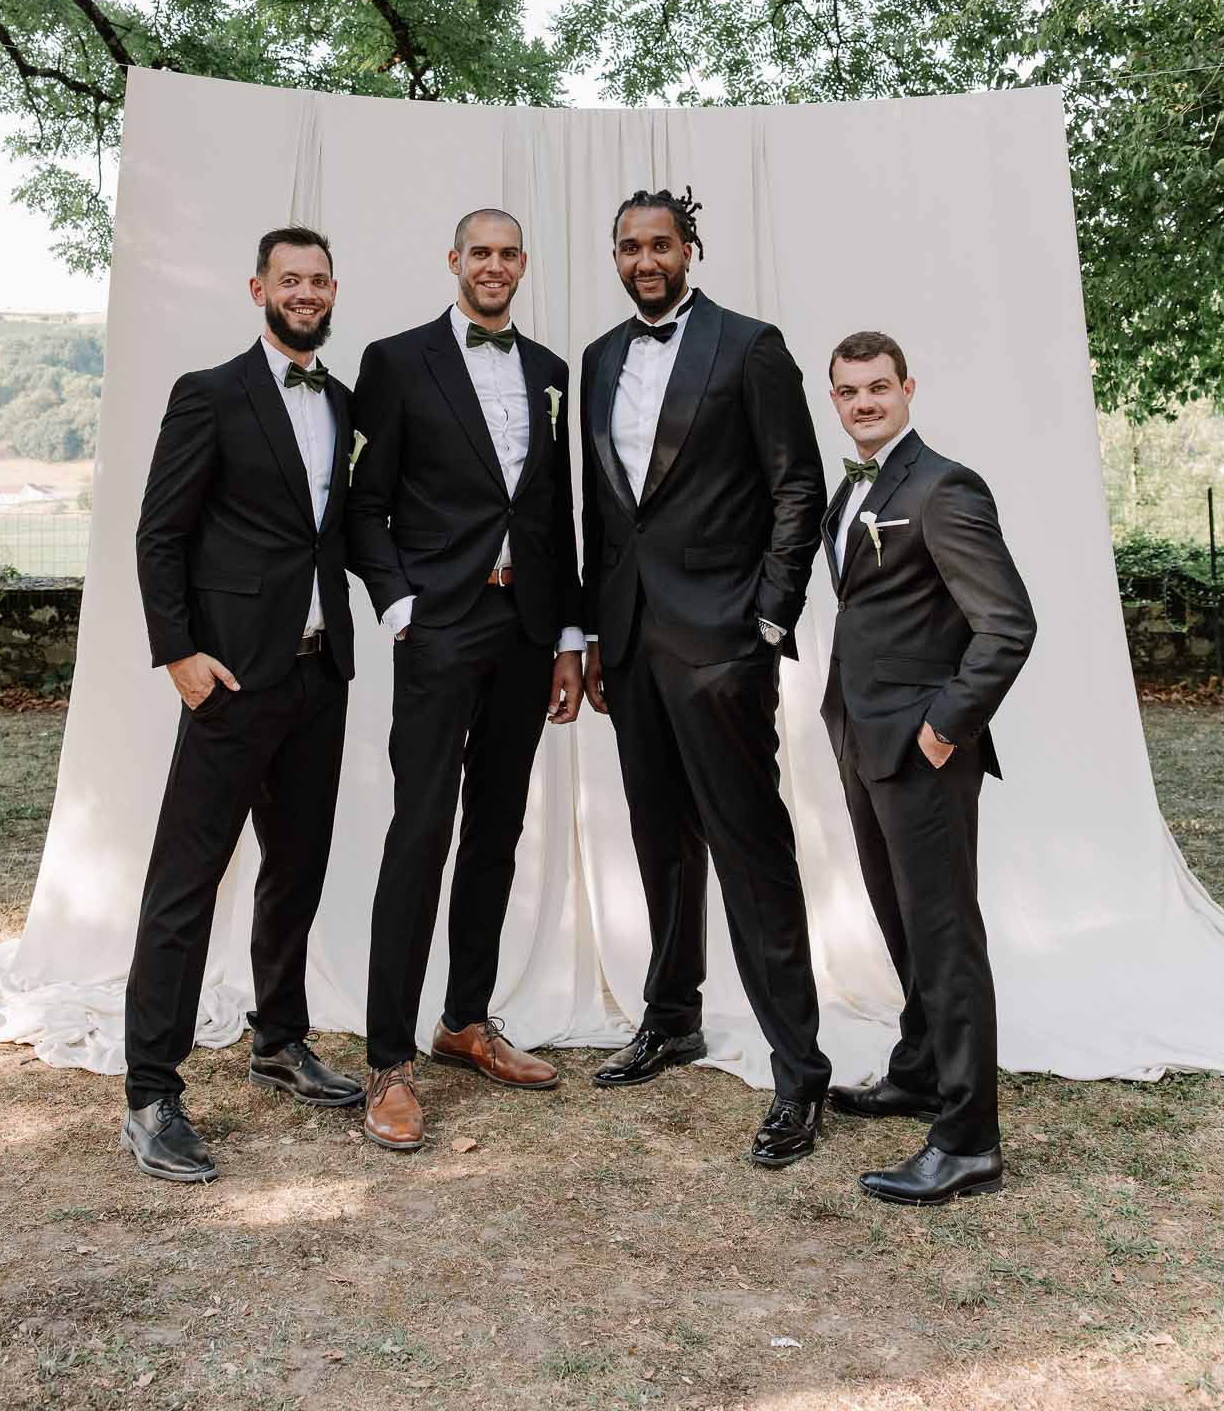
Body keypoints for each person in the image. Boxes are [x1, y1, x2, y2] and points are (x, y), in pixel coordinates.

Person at [580, 188, 830, 1168]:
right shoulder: (599, 357)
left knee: (750, 847)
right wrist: (595, 630)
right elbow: (603, 512)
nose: (647, 259)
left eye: (661, 244)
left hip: (723, 641)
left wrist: (766, 616)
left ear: (690, 248)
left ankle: (799, 1069)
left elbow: (795, 483)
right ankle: (670, 1012)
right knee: (660, 838)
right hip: (631, 641)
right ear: (616, 254)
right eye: (631, 246)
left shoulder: (750, 346)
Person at [123, 227, 363, 1182]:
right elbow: (159, 533)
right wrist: (178, 652)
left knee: (297, 869)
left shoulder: (343, 404)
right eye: (288, 280)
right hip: (227, 677)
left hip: (317, 673)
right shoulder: (210, 394)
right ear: (258, 287)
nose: (304, 293)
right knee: (187, 880)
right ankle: (150, 1091)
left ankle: (279, 1041)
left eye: (317, 280)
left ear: (334, 290)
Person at [348, 208, 585, 1152]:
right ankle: (387, 1062)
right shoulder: (397, 362)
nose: (493, 267)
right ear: (454, 263)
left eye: (507, 254)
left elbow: (556, 513)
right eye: (478, 253)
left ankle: (465, 1020)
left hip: (527, 632)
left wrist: (569, 635)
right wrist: (403, 610)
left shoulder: (553, 375)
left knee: (497, 828)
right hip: (439, 626)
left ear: (524, 265)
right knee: (419, 832)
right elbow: (367, 506)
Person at [821, 331, 1036, 1205]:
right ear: (833, 400)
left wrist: (944, 729)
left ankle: (968, 1138)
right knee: (902, 922)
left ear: (909, 388)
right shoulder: (855, 483)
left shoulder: (944, 488)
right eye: (848, 392)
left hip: (922, 751)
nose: (865, 403)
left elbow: (1008, 624)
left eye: (879, 387)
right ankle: (917, 1069)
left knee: (946, 938)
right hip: (861, 738)